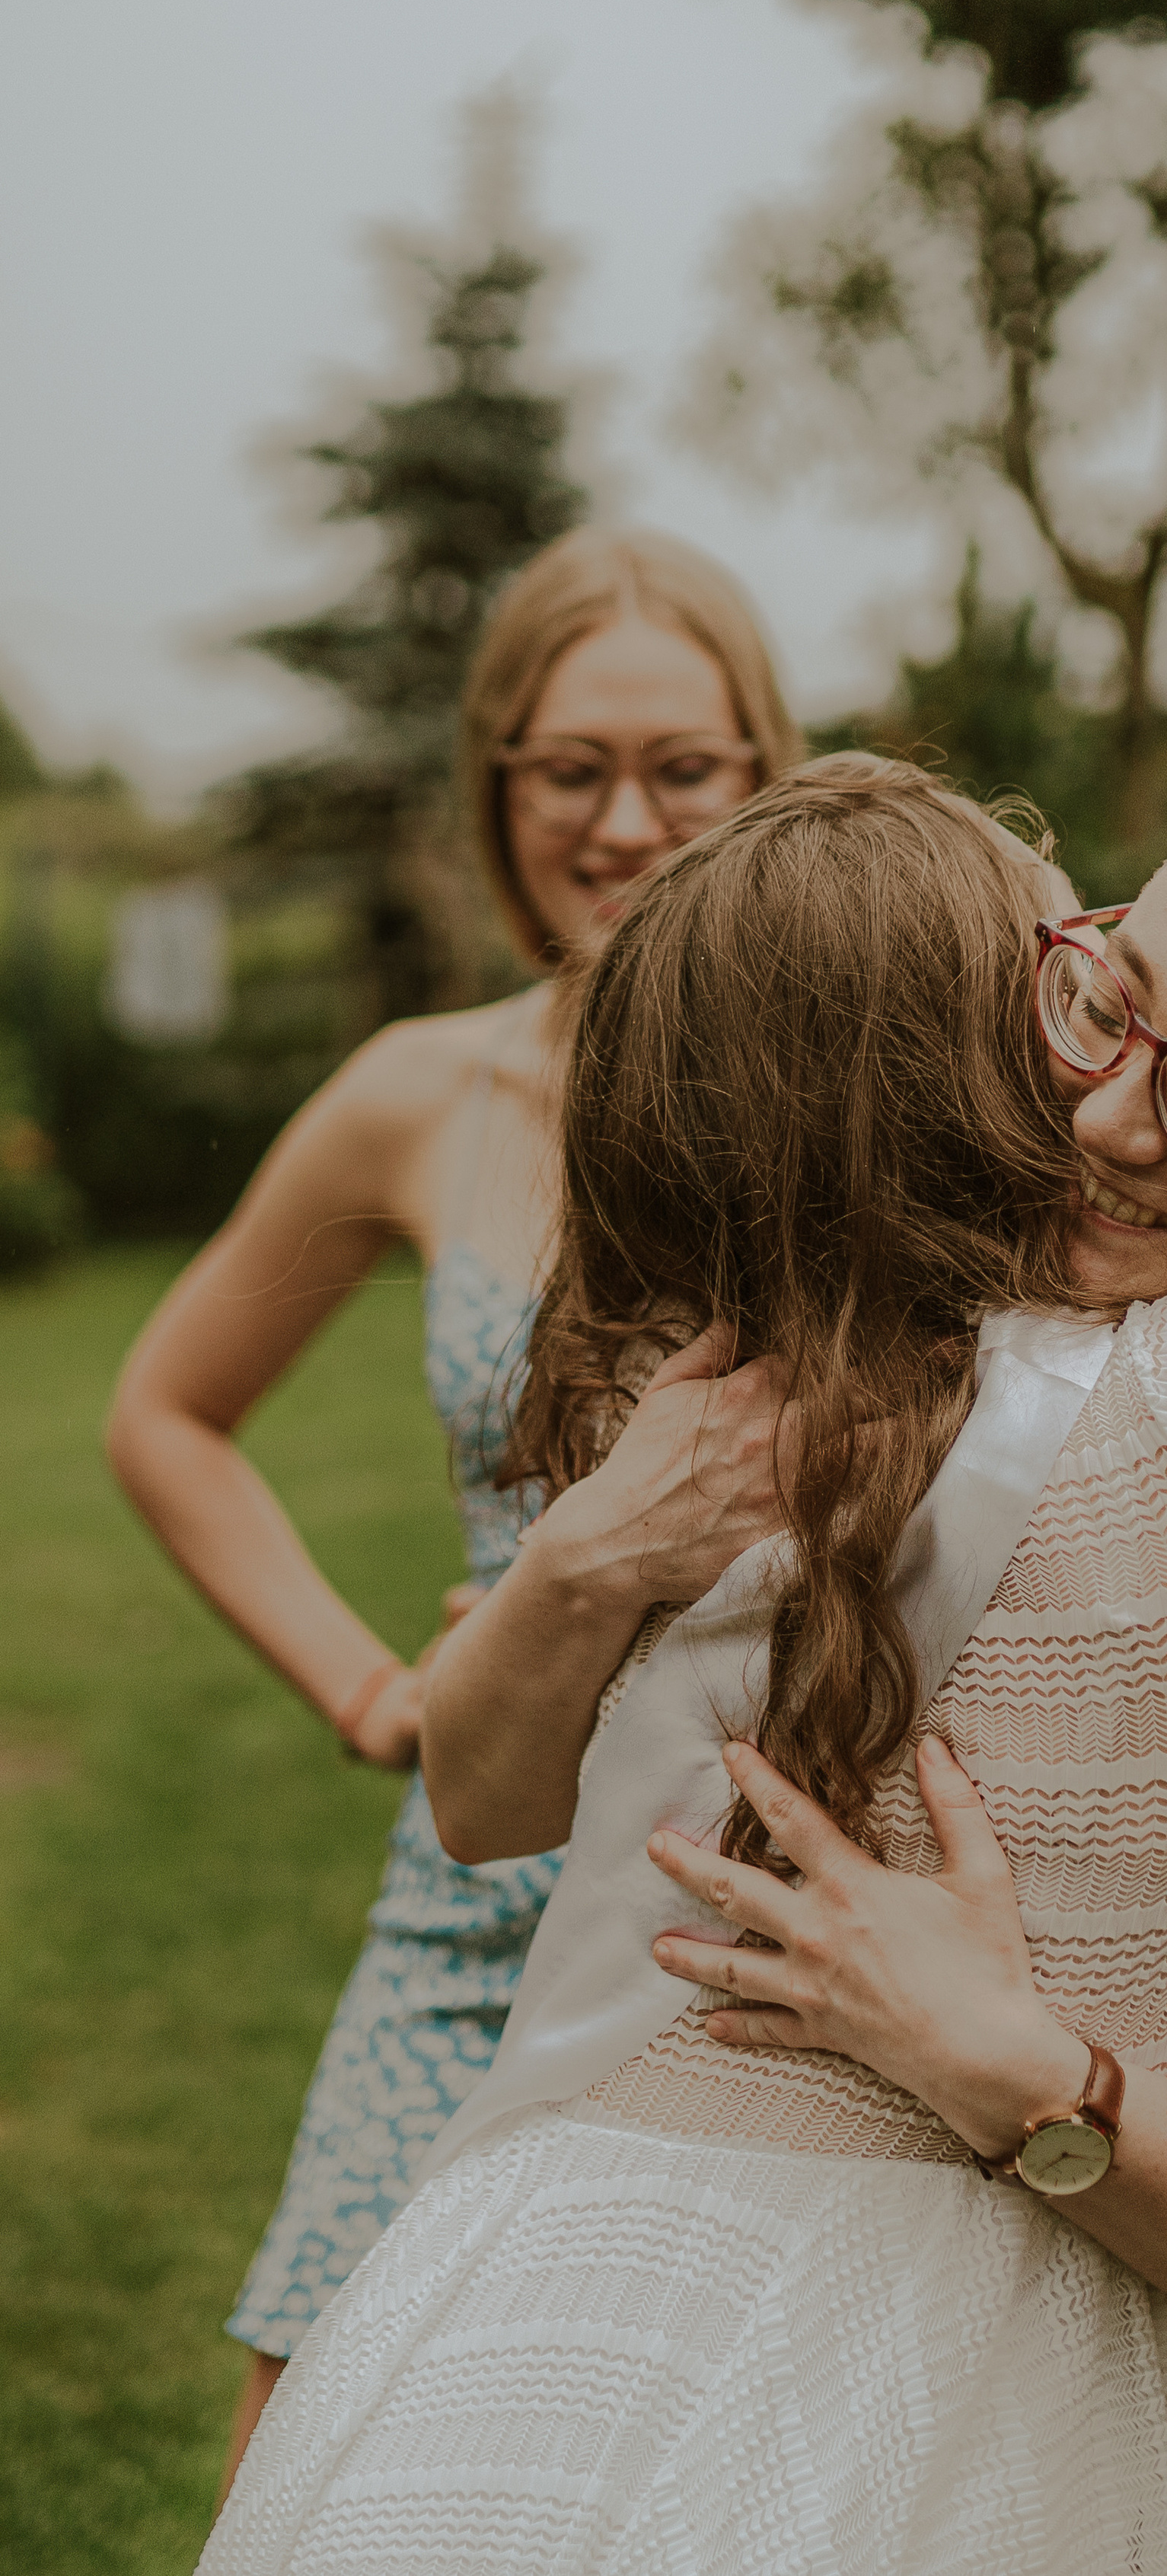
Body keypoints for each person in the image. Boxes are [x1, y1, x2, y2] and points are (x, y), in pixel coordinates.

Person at [205, 748, 1167, 2576]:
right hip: (882, 2364)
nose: (1104, 1115)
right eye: (1107, 999)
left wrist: (1007, 2063)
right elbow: (494, 1802)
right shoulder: (933, 1276)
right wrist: (581, 1557)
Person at [106, 525, 800, 2499]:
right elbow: (167, 1410)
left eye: (686, 763)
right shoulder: (423, 1094)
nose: (625, 817)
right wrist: (360, 1685)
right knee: (307, 2446)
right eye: (570, 767)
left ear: (767, 769)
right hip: (479, 1876)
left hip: (762, 1870)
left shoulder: (867, 1076)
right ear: (499, 786)